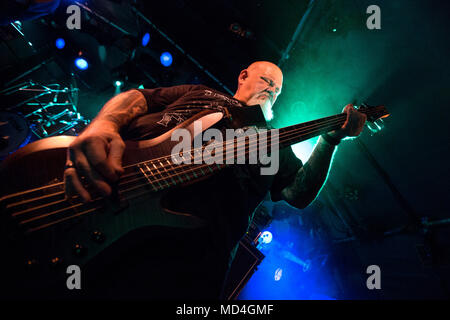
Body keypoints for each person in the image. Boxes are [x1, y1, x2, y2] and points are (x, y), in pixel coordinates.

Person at [63, 61, 366, 299]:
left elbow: (298, 192)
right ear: (243, 76)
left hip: (187, 266)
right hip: (107, 202)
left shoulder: (275, 144)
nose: (272, 90)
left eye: (277, 90)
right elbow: (138, 98)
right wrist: (102, 126)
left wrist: (330, 140)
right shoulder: (200, 94)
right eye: (267, 81)